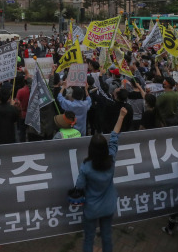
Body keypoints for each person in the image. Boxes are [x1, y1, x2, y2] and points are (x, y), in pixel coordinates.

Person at [75, 107, 128, 252]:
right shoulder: (110, 161)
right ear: (105, 149)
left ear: (90, 149)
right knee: (107, 237)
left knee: (89, 239)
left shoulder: (86, 167)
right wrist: (121, 116)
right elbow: (114, 137)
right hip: (108, 206)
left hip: (91, 208)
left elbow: (78, 188)